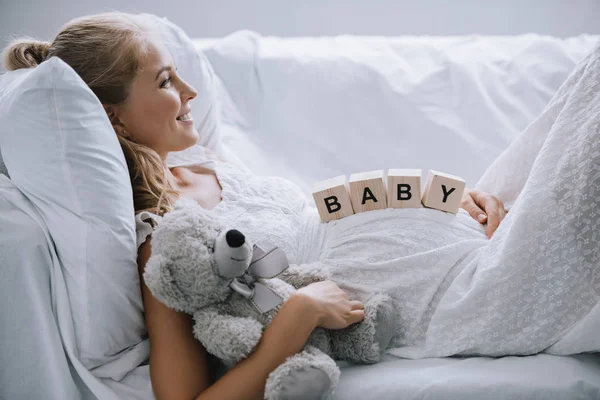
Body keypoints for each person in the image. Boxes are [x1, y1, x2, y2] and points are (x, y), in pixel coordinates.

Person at [2, 12, 514, 400]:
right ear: (114, 121)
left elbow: (320, 209)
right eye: (164, 82)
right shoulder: (166, 237)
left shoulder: (212, 168)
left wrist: (443, 196)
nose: (190, 91)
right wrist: (299, 313)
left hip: (462, 239)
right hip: (432, 293)